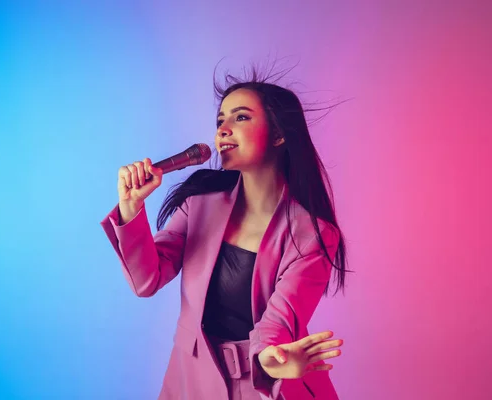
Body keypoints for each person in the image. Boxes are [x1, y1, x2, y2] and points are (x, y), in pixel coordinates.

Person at [100, 70, 349, 399]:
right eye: (220, 121)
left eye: (241, 117)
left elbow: (277, 323)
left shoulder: (313, 235)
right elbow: (146, 280)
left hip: (268, 386)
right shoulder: (198, 205)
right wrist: (131, 208)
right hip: (190, 381)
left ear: (278, 135)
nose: (222, 130)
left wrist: (273, 362)